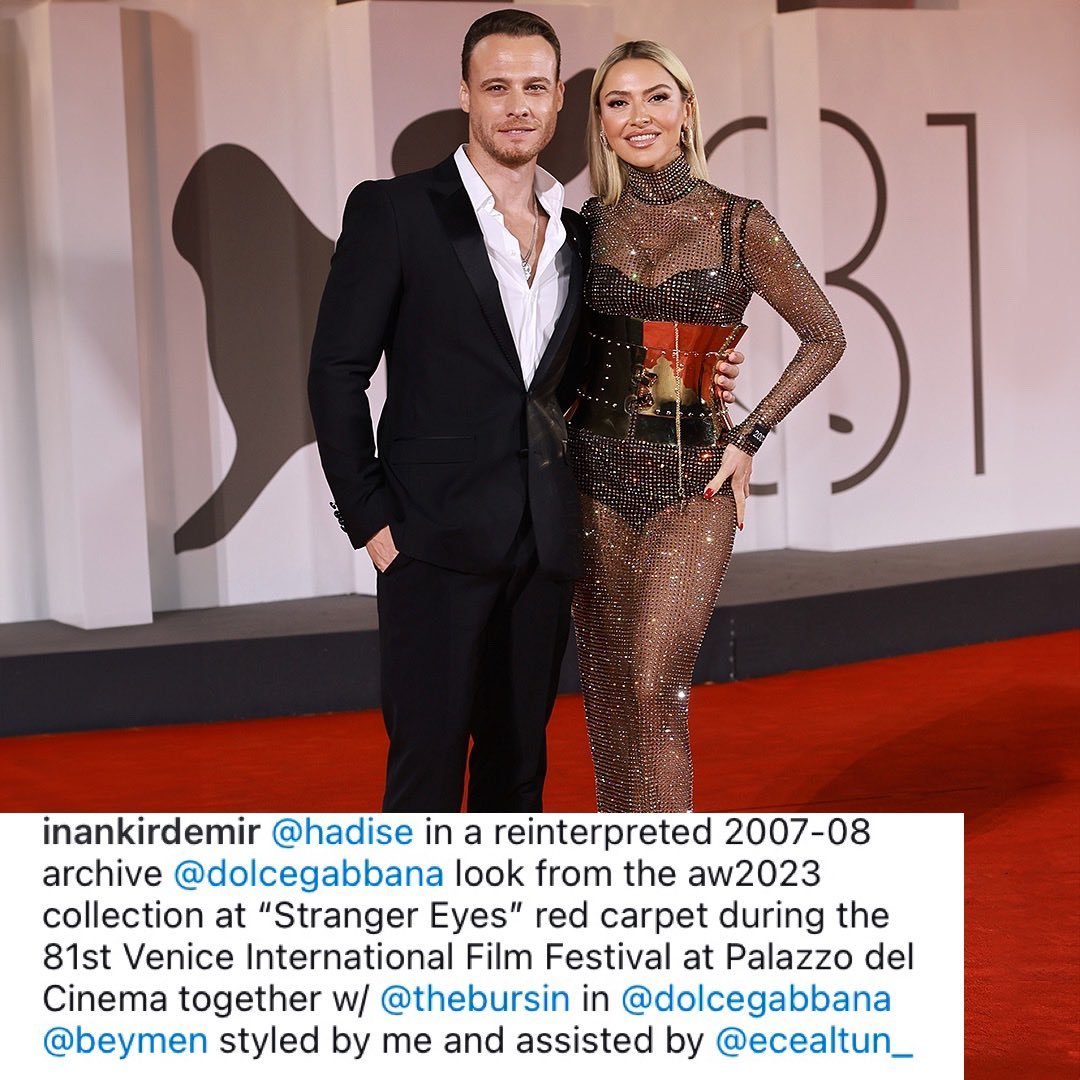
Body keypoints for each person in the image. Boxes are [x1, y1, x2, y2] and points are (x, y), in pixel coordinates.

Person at [308, 11, 744, 813]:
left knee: (517, 777)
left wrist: (704, 385)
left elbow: (605, 377)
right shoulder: (396, 210)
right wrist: (370, 520)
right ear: (465, 94)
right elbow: (335, 374)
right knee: (426, 774)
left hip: (545, 544)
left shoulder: (581, 235)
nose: (517, 106)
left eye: (535, 88)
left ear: (559, 100)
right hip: (429, 544)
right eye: (498, 87)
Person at [568, 41, 846, 812]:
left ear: (686, 111)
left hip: (695, 480)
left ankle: (668, 871)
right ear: (601, 122)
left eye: (656, 97)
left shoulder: (738, 222)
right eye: (617, 102)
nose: (638, 116)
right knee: (609, 692)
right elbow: (562, 348)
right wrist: (678, 364)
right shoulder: (587, 224)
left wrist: (749, 434)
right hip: (589, 479)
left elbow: (824, 336)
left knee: (656, 686)